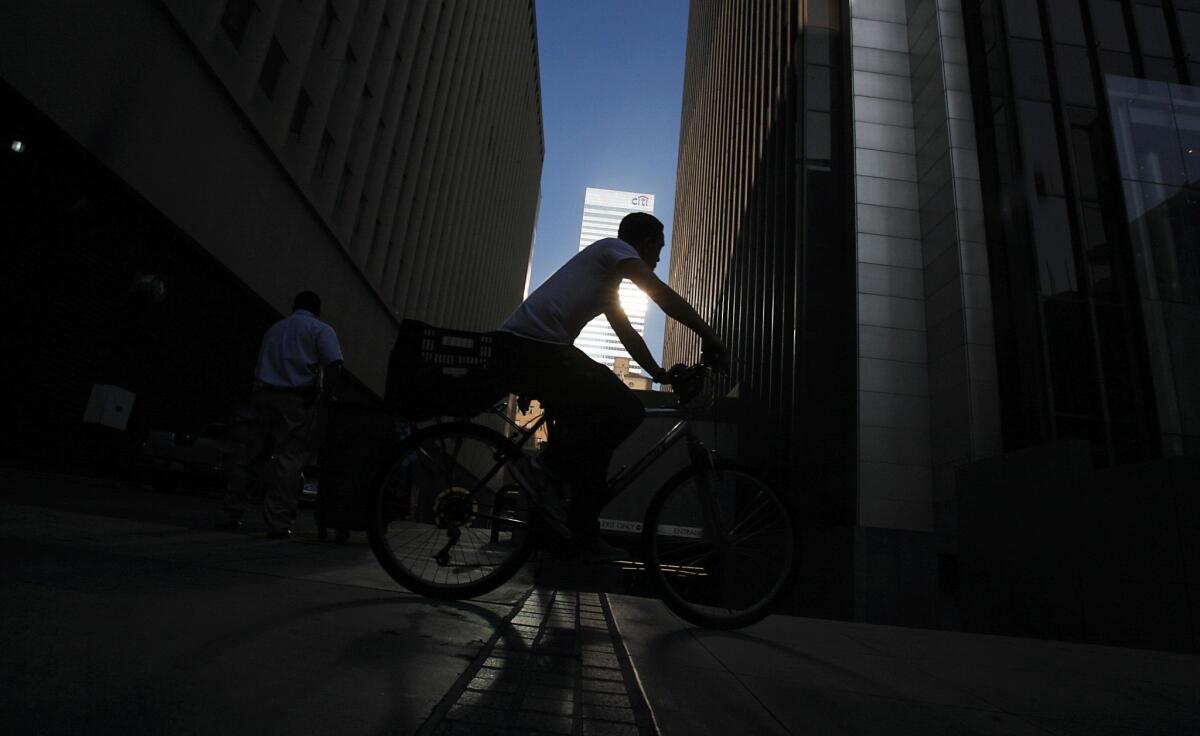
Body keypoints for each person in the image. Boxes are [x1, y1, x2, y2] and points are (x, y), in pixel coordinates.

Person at [497, 212, 726, 559]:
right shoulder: (612, 249)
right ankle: (546, 468)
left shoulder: (606, 281)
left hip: (532, 347)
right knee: (626, 409)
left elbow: (628, 334)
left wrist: (658, 373)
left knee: (600, 429)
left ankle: (580, 526)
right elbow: (659, 294)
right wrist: (708, 334)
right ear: (645, 243)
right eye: (658, 249)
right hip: (533, 345)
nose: (659, 258)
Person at [220, 291, 344, 538]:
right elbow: (334, 364)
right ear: (317, 310)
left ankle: (232, 511)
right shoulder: (320, 330)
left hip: (263, 395)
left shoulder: (275, 329)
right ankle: (278, 521)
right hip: (296, 398)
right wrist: (324, 396)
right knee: (290, 458)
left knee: (250, 455)